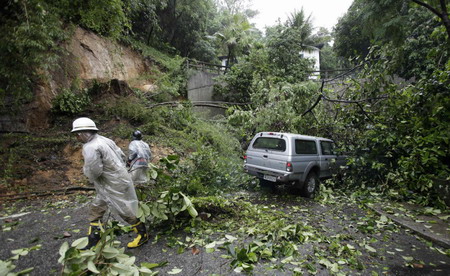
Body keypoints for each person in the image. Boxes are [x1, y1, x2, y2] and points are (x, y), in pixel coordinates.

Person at [71, 117, 148, 249]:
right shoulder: (104, 140)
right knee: (96, 208)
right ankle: (94, 240)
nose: (77, 138)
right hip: (115, 180)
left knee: (125, 211)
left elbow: (94, 171)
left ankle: (142, 234)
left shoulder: (90, 147)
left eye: (77, 135)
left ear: (82, 133)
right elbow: (122, 156)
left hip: (112, 184)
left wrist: (89, 175)